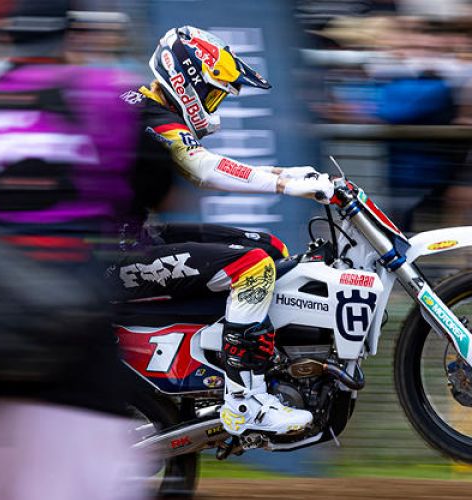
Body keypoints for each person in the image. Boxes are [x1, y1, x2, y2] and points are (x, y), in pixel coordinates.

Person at [116, 26, 334, 436]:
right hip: (113, 258)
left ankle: (231, 362)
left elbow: (208, 163)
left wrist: (290, 173)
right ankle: (244, 400)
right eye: (213, 95)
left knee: (270, 248)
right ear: (186, 81)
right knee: (252, 267)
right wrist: (286, 185)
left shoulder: (142, 106)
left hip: (131, 240)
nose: (214, 107)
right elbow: (203, 167)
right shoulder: (149, 115)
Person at [0, 1, 147, 499]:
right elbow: (149, 192)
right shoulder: (105, 94)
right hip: (72, 352)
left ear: (7, 34)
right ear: (70, 34)